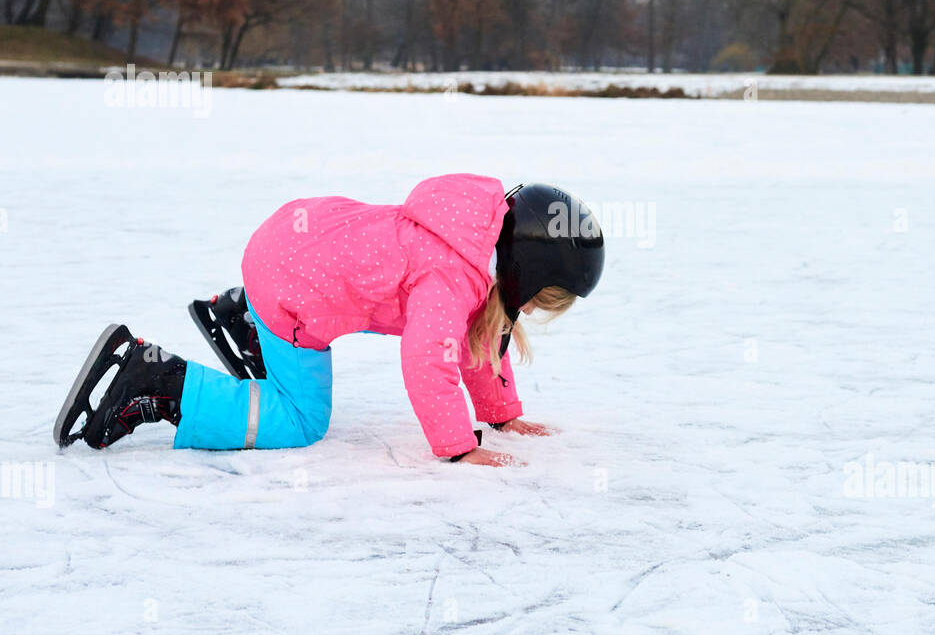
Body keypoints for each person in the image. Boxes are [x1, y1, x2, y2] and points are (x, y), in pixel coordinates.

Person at [54, 176, 604, 467]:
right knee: (301, 421)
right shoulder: (448, 280)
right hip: (294, 289)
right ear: (523, 271)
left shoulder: (468, 234)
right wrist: (460, 444)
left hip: (299, 244)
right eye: (539, 298)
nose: (530, 310)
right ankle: (156, 381)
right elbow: (426, 360)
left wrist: (501, 414)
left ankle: (246, 318)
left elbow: (479, 339)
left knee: (337, 309)